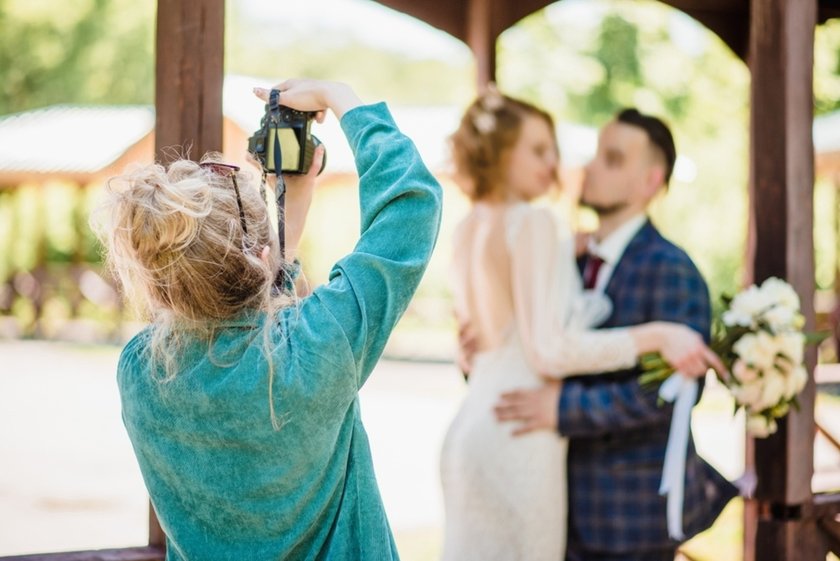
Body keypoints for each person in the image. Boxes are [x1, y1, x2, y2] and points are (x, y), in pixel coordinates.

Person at [93, 79, 443, 561]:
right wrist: (339, 96)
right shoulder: (318, 346)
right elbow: (411, 205)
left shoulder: (141, 370)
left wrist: (284, 229)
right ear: (261, 259)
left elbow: (236, 322)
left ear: (159, 284)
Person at [439, 90, 725, 561]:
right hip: (538, 474)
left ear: (650, 181)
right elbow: (528, 349)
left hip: (622, 517)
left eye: (612, 159)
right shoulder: (559, 249)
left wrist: (563, 409)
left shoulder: (670, 267)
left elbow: (670, 391)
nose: (587, 167)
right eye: (595, 153)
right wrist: (474, 354)